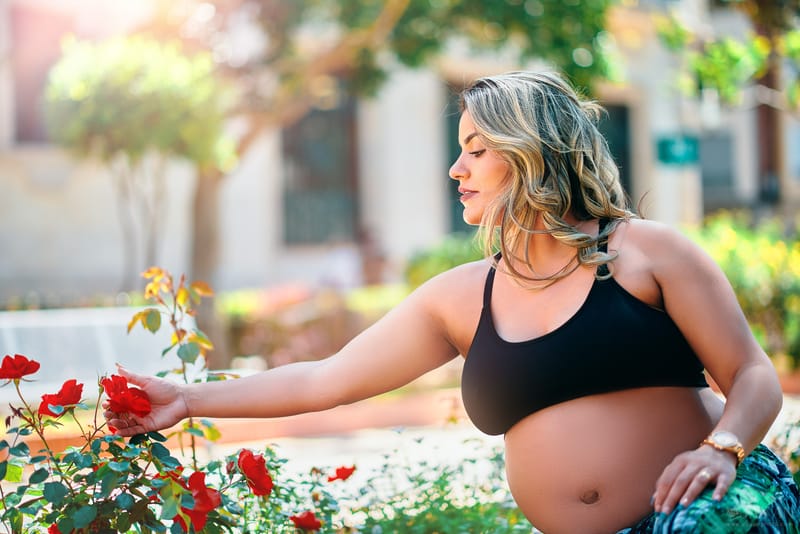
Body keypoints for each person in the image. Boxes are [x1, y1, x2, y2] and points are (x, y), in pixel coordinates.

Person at [105, 71, 800, 533]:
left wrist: (723, 449)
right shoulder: (460, 298)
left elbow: (753, 376)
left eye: (476, 149)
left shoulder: (648, 252)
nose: (455, 168)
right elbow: (324, 380)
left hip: (712, 514)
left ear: (531, 153)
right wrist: (188, 399)